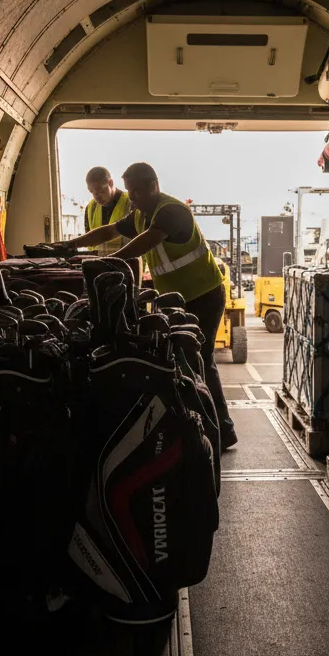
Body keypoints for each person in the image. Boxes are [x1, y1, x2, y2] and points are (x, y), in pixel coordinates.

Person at [67, 162, 237, 450]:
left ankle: (220, 431)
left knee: (200, 358)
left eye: (135, 192)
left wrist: (104, 265)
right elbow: (109, 231)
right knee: (183, 361)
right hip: (178, 298)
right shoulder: (143, 214)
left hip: (204, 295)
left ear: (153, 186)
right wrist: (69, 245)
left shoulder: (169, 212)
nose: (131, 198)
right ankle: (199, 427)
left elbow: (142, 244)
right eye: (129, 192)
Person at [82, 166, 131, 256]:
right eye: (92, 192)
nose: (96, 196)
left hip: (127, 265)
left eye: (101, 191)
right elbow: (89, 243)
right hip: (98, 265)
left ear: (111, 183)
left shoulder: (131, 203)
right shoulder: (90, 207)